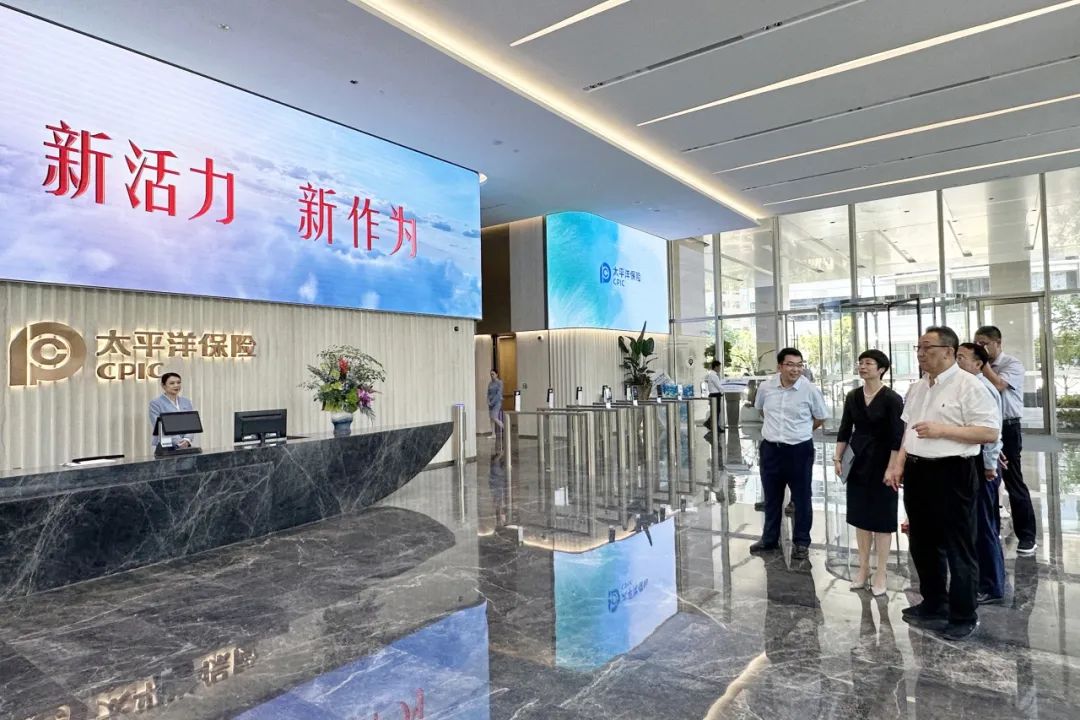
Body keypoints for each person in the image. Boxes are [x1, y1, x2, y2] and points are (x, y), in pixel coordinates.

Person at [884, 327, 999, 641]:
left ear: (949, 351)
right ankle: (934, 603)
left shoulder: (969, 385)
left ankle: (963, 615)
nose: (921, 354)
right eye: (918, 348)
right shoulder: (919, 386)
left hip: (954, 472)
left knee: (959, 545)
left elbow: (989, 432)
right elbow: (908, 430)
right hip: (918, 471)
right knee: (922, 541)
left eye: (927, 348)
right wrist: (898, 464)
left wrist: (943, 430)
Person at [833, 350, 904, 596]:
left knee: (882, 519)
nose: (863, 366)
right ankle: (863, 568)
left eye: (868, 363)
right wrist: (838, 457)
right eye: (860, 362)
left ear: (881, 369)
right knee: (860, 517)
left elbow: (898, 436)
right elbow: (845, 429)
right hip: (858, 461)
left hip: (884, 461)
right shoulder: (853, 396)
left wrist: (893, 467)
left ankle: (881, 571)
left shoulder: (892, 398)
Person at [750, 348, 828, 560]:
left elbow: (820, 417)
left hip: (799, 451)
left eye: (799, 365)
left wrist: (801, 431)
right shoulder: (766, 387)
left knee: (802, 498)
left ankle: (801, 542)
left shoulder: (809, 389)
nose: (795, 369)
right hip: (770, 450)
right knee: (771, 497)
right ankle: (769, 539)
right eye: (790, 364)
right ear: (779, 367)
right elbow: (761, 410)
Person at [973, 325, 1037, 556]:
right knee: (985, 481)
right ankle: (989, 531)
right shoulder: (975, 367)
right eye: (977, 344)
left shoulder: (1012, 364)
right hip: (983, 427)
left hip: (1007, 426)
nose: (980, 348)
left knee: (1012, 479)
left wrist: (982, 364)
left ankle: (1027, 536)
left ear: (997, 343)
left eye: (983, 344)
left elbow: (999, 385)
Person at [957, 342, 1006, 605]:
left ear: (978, 364)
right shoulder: (968, 386)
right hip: (976, 461)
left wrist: (990, 464)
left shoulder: (981, 388)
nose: (957, 362)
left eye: (962, 358)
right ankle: (983, 580)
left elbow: (991, 432)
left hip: (982, 464)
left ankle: (991, 585)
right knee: (977, 522)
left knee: (984, 524)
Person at [148, 372, 195, 448]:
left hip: (186, 444)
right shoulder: (155, 403)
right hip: (166, 446)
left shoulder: (186, 402)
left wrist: (187, 439)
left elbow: (191, 424)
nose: (176, 385)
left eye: (178, 382)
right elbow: (159, 426)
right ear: (163, 386)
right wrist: (179, 442)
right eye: (172, 383)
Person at [702, 360, 724, 428]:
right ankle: (714, 426)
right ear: (716, 367)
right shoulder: (714, 376)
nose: (720, 369)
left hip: (713, 394)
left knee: (715, 411)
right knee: (716, 411)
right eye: (719, 367)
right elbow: (718, 386)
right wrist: (723, 391)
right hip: (715, 395)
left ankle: (710, 424)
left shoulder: (712, 375)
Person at [487, 370, 504, 439]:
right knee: (491, 418)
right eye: (491, 374)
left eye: (493, 374)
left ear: (497, 374)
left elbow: (498, 394)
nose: (491, 376)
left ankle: (505, 427)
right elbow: (488, 393)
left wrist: (492, 402)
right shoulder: (490, 383)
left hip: (497, 402)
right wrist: (488, 401)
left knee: (494, 417)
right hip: (490, 403)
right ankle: (493, 434)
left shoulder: (499, 382)